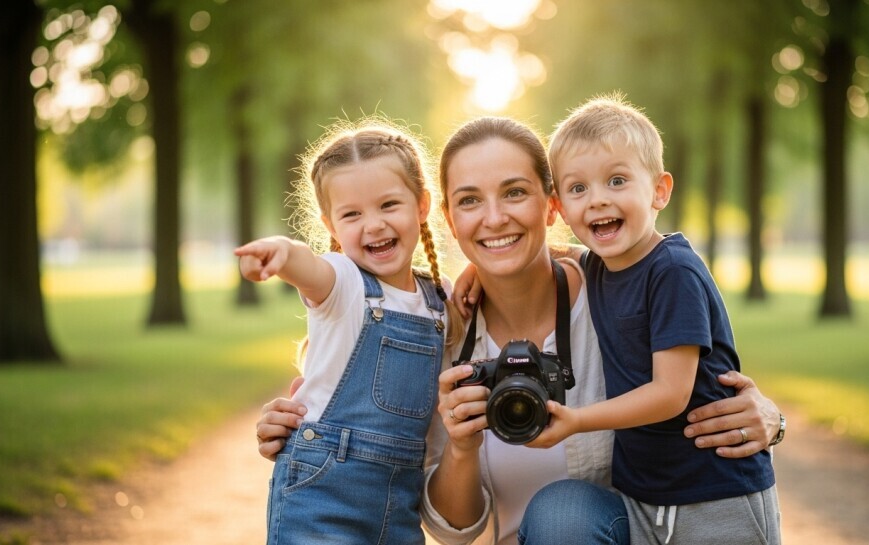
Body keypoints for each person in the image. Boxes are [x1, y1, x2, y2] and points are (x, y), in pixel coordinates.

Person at [256, 116, 785, 545]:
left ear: (551, 204)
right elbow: (450, 531)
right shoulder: (435, 336)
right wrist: (459, 447)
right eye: (469, 200)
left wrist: (770, 417)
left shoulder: (612, 292)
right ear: (444, 216)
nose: (493, 218)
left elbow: (696, 370)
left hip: (643, 531)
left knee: (566, 513)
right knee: (562, 516)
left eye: (514, 193)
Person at [523, 94, 780, 544]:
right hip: (644, 495)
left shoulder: (672, 271)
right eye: (578, 189)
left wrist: (578, 419)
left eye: (617, 180)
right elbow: (559, 252)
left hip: (714, 488)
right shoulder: (600, 266)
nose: (597, 200)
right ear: (560, 208)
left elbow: (670, 393)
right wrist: (472, 271)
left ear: (659, 190)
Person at [236, 119, 462, 545]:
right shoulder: (343, 282)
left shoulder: (440, 299)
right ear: (331, 226)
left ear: (422, 205)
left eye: (388, 205)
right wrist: (280, 253)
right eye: (352, 214)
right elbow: (307, 265)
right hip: (323, 496)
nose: (372, 225)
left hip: (399, 503)